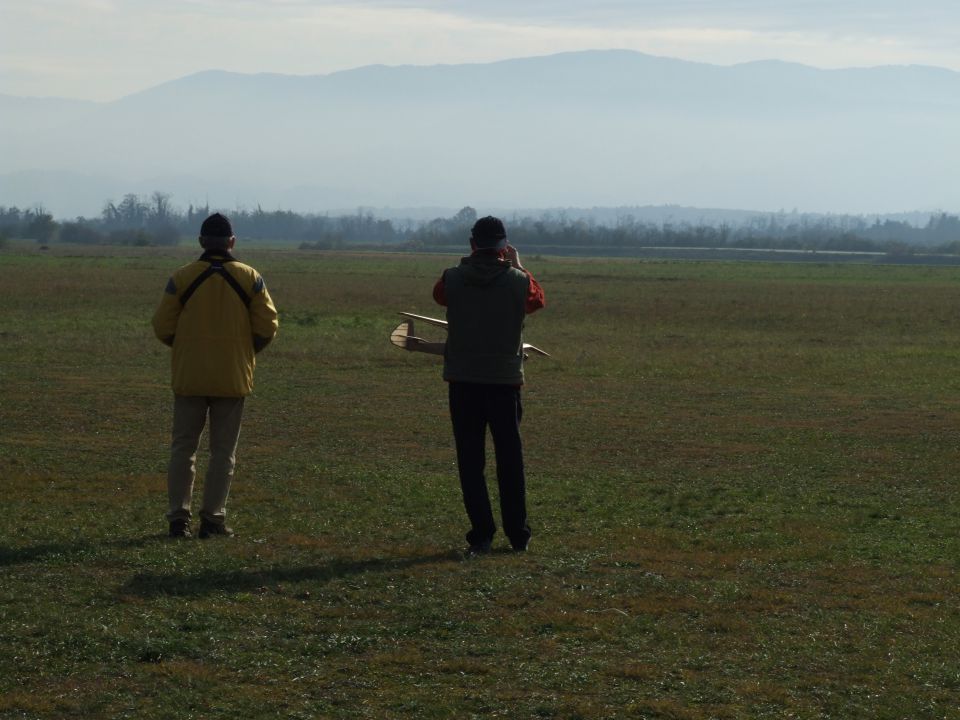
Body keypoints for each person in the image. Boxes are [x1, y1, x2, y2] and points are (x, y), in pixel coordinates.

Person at [415, 216, 546, 553]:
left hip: (463, 382)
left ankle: (482, 534)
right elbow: (537, 301)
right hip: (505, 383)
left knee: (471, 461)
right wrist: (518, 265)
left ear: (472, 244)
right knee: (510, 459)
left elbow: (439, 296)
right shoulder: (518, 281)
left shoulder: (452, 279)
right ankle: (518, 534)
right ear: (504, 247)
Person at [152, 213, 278, 539]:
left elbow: (163, 327)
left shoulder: (181, 278)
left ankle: (178, 520)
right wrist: (245, 353)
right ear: (232, 242)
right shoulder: (250, 277)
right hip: (232, 378)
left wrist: (185, 350)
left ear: (200, 242)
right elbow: (267, 327)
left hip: (189, 376)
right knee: (223, 453)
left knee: (183, 449)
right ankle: (213, 520)